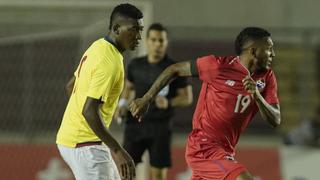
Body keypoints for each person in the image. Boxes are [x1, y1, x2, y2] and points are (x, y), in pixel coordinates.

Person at [129, 27, 281, 180]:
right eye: (269, 49)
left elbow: (275, 120)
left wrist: (257, 96)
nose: (273, 54)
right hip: (203, 146)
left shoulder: (267, 77)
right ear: (253, 51)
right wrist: (146, 98)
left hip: (226, 150)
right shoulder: (219, 66)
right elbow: (174, 69)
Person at [56, 3, 143, 180]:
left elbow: (71, 86)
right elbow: (89, 111)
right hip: (86, 145)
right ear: (117, 28)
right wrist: (118, 150)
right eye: (134, 29)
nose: (139, 36)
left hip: (73, 139)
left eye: (140, 29)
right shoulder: (109, 62)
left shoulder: (98, 46)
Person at [115, 23, 193, 180]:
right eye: (154, 40)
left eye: (161, 40)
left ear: (166, 42)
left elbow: (187, 98)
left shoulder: (174, 68)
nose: (157, 44)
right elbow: (128, 88)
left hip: (160, 127)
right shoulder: (135, 65)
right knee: (126, 172)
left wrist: (169, 102)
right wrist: (122, 105)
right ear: (147, 41)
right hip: (135, 125)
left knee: (158, 175)